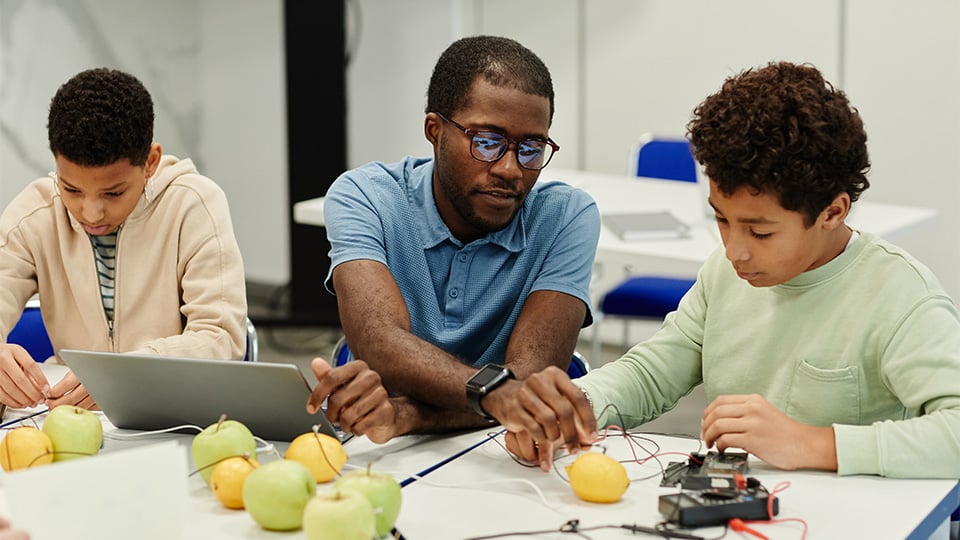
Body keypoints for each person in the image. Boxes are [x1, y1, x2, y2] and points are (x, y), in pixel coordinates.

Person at [480, 60, 960, 479]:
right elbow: (654, 372)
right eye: (721, 219)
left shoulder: (897, 294)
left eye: (760, 232)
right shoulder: (725, 273)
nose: (734, 251)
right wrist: (571, 408)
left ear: (833, 212)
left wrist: (814, 444)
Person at [306, 35, 601, 441]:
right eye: (487, 142)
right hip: (378, 454)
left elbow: (527, 387)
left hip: (499, 453)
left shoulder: (566, 217)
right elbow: (380, 340)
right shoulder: (365, 196)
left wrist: (409, 415)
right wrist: (496, 394)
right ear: (435, 131)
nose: (511, 170)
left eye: (531, 148)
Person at [0, 68, 248, 410]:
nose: (91, 213)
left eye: (113, 193)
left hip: (170, 415)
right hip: (66, 421)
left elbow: (221, 339)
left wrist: (122, 374)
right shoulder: (36, 212)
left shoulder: (195, 204)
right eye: (71, 188)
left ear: (150, 162)